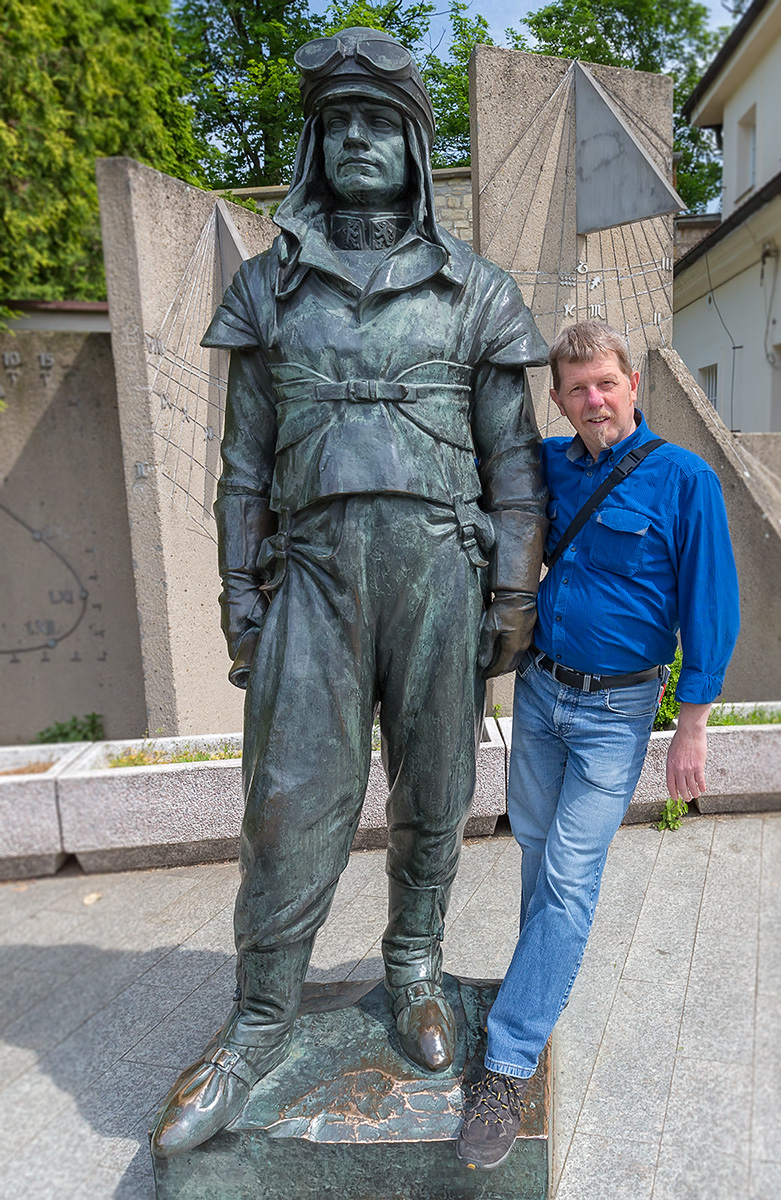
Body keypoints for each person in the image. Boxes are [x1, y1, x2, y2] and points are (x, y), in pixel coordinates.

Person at [151, 27, 548, 1157]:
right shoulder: (267, 288)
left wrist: (510, 599)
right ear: (313, 146)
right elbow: (241, 465)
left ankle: (414, 966)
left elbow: (515, 466)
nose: (358, 141)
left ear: (414, 145)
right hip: (312, 582)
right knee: (286, 805)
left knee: (435, 788)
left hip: (439, 572)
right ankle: (259, 1019)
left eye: (380, 123)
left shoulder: (475, 292)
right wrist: (238, 594)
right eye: (339, 125)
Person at [456, 320, 740, 1171]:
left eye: (606, 383)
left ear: (632, 385)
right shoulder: (548, 464)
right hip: (541, 693)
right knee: (537, 860)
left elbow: (712, 605)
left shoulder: (684, 479)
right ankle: (531, 1005)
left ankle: (507, 1064)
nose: (594, 400)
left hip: (618, 714)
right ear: (558, 399)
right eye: (577, 388)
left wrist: (691, 726)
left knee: (570, 879)